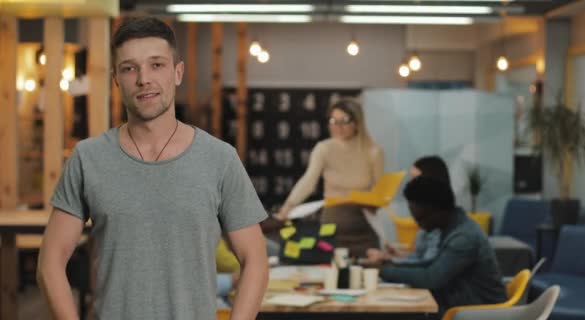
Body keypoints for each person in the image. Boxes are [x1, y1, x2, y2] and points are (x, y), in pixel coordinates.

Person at [37, 17, 268, 320]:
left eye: (156, 65)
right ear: (116, 79)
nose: (144, 78)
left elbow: (256, 261)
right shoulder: (87, 158)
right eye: (129, 68)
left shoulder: (220, 159)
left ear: (178, 72)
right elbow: (50, 263)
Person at [375, 175, 506, 315]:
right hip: (465, 306)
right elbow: (430, 264)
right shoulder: (451, 228)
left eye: (420, 219)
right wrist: (391, 264)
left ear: (437, 211)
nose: (418, 225)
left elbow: (431, 278)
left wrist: (382, 271)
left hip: (480, 312)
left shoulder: (464, 237)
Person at [273, 98, 384, 257]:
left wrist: (374, 202)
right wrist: (287, 208)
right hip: (332, 226)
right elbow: (308, 181)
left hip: (364, 227)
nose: (337, 126)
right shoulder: (324, 148)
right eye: (333, 120)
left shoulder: (374, 152)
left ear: (357, 123)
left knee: (368, 275)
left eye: (344, 121)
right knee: (331, 275)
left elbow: (380, 191)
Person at [367, 155, 450, 265]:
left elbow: (427, 265)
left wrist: (387, 259)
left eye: (417, 179)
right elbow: (419, 256)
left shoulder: (441, 221)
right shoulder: (427, 217)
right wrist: (397, 255)